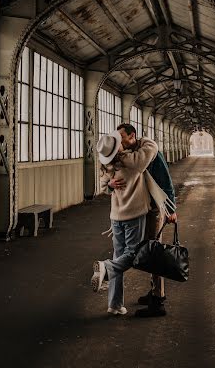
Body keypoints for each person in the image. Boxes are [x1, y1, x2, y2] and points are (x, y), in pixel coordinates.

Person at [91, 129, 158, 316]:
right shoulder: (133, 161)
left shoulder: (107, 167)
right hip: (133, 215)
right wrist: (137, 139)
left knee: (119, 255)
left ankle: (114, 304)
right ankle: (106, 268)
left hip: (115, 217)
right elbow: (152, 146)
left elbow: (103, 187)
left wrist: (111, 185)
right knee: (131, 254)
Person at [116, 123, 177, 318]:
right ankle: (155, 291)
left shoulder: (149, 151)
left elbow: (165, 179)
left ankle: (158, 301)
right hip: (141, 208)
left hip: (153, 209)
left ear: (132, 136)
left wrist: (171, 209)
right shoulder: (134, 152)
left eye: (121, 137)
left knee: (153, 251)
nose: (119, 141)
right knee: (147, 250)